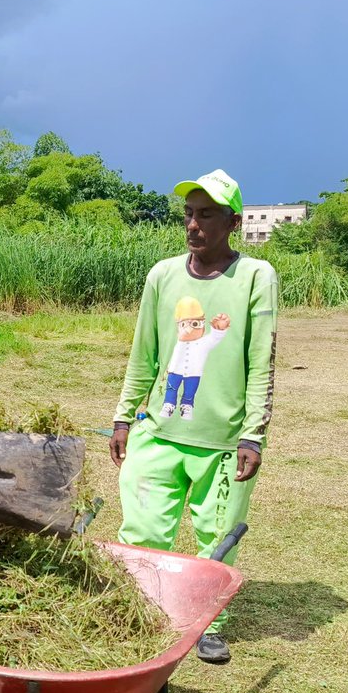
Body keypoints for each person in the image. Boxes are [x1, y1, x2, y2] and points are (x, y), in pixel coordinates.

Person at [109, 169, 277, 664]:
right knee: (142, 534)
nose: (193, 225)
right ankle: (141, 613)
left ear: (234, 222)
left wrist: (253, 435)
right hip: (158, 433)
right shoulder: (162, 276)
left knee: (216, 539)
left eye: (206, 215)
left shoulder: (254, 277)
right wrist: (123, 419)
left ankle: (206, 623)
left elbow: (261, 358)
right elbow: (144, 354)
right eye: (188, 214)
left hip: (224, 442)